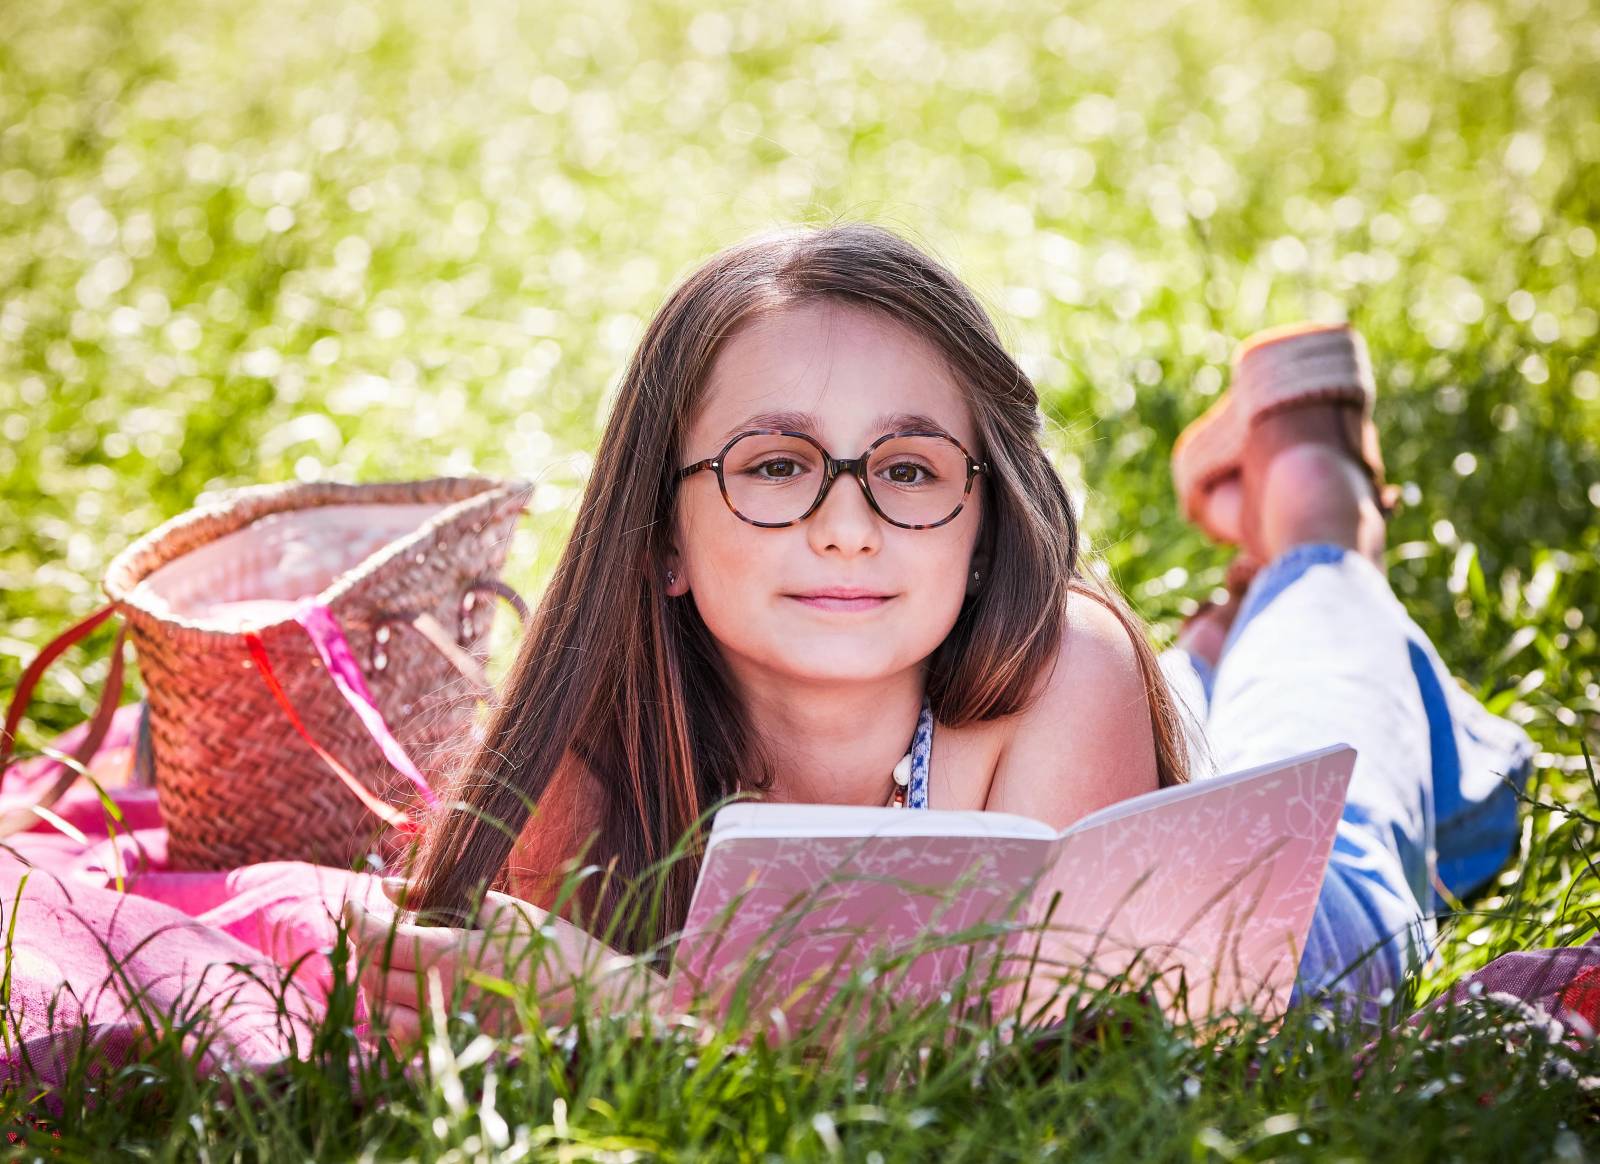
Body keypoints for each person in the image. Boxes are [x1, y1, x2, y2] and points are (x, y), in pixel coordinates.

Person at [345, 224, 1535, 1041]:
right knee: (1218, 691)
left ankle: (1314, 499)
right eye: (776, 465)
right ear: (659, 534)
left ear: (981, 518)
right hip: (1111, 773)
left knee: (1330, 710)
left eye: (909, 470)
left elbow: (1045, 1067)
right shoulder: (596, 749)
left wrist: (621, 1011)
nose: (850, 527)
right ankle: (1210, 654)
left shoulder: (1065, 669)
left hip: (1283, 925)